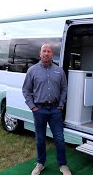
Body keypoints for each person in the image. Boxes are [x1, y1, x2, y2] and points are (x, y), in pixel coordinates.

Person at [22, 44, 71, 175]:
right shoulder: (32, 70)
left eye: (49, 51)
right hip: (40, 110)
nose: (46, 53)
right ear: (40, 54)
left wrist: (61, 105)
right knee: (40, 139)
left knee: (59, 139)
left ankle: (63, 165)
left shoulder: (59, 71)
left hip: (55, 110)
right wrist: (32, 106)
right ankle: (40, 164)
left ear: (52, 54)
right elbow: (26, 90)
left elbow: (64, 89)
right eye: (44, 51)